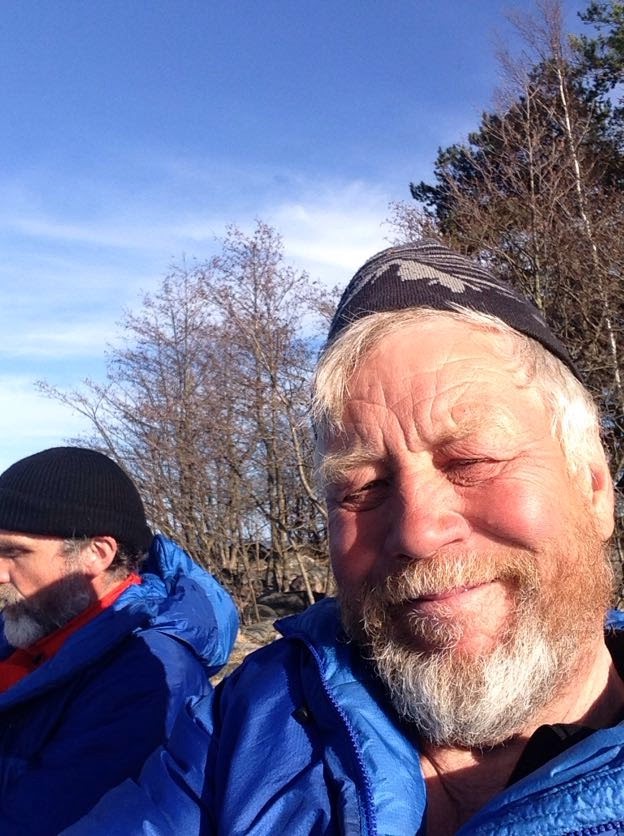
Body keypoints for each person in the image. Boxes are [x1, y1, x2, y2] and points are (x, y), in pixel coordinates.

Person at [66, 242, 624, 835]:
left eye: (472, 459)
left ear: (593, 484)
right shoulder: (248, 722)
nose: (417, 532)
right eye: (361, 489)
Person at [0, 445, 238, 835]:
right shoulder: (31, 627)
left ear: (97, 553)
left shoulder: (148, 674)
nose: (0, 573)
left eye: (14, 553)